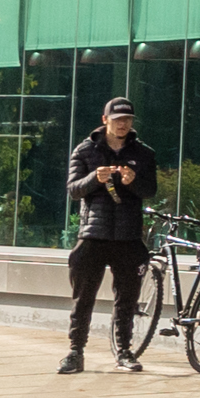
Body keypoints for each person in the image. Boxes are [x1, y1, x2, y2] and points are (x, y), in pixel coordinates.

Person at [61, 101, 157, 374]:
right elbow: (73, 190)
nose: (123, 124)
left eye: (127, 119)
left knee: (127, 298)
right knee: (83, 297)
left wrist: (132, 181)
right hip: (94, 234)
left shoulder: (144, 153)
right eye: (117, 119)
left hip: (128, 236)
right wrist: (94, 178)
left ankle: (125, 351)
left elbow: (150, 190)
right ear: (105, 119)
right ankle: (75, 351)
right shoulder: (86, 150)